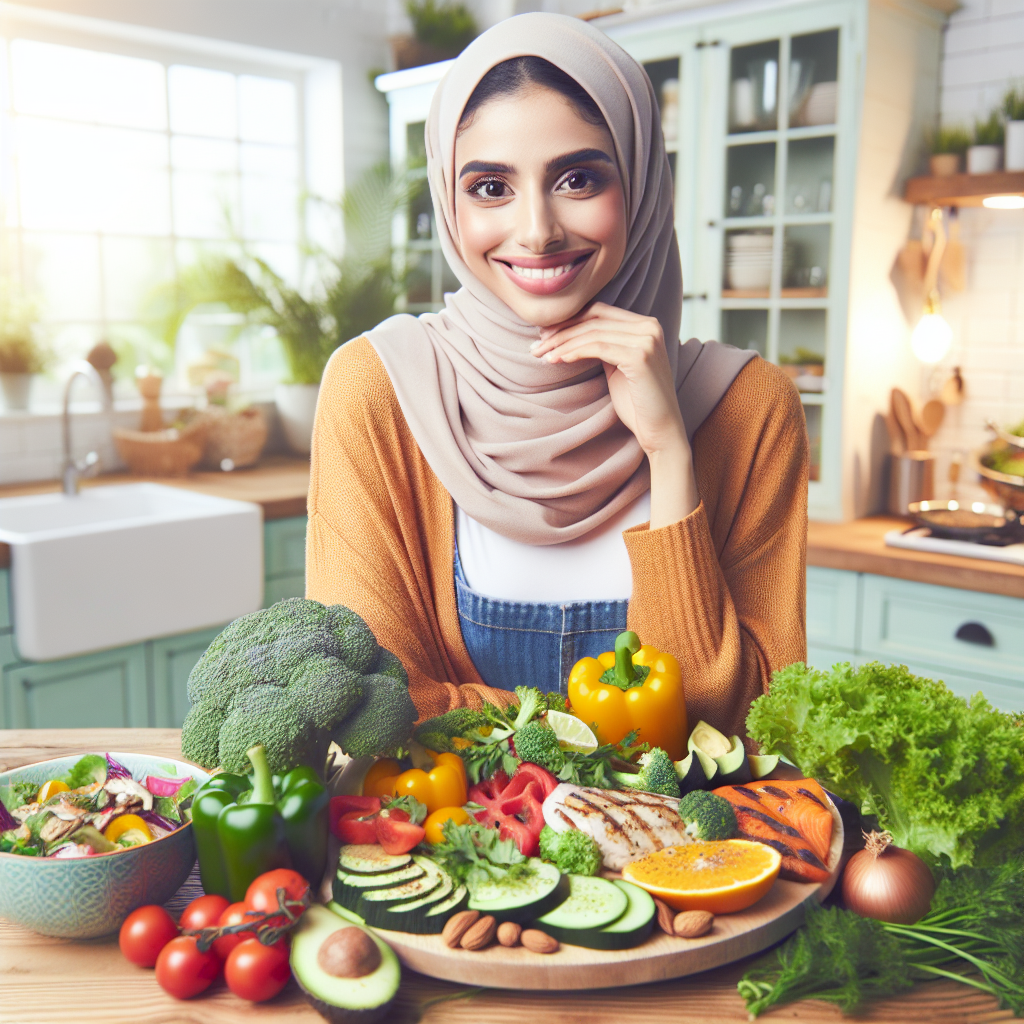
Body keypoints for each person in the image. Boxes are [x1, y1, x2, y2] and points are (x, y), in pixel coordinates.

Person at [306, 13, 808, 739]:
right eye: (490, 187)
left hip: (677, 854)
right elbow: (383, 708)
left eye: (577, 179)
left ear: (639, 183)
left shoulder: (749, 408)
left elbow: (759, 724)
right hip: (465, 847)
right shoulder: (377, 389)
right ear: (450, 201)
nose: (537, 230)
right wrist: (610, 728)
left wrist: (670, 450)